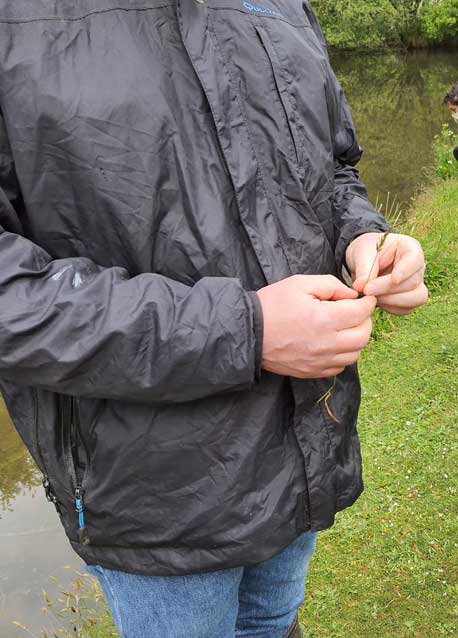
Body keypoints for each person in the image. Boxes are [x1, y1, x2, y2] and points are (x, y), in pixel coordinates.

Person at [0, 2, 428, 637]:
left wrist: (364, 237)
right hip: (151, 494)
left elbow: (332, 169)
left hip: (300, 446)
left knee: (276, 625)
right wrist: (245, 331)